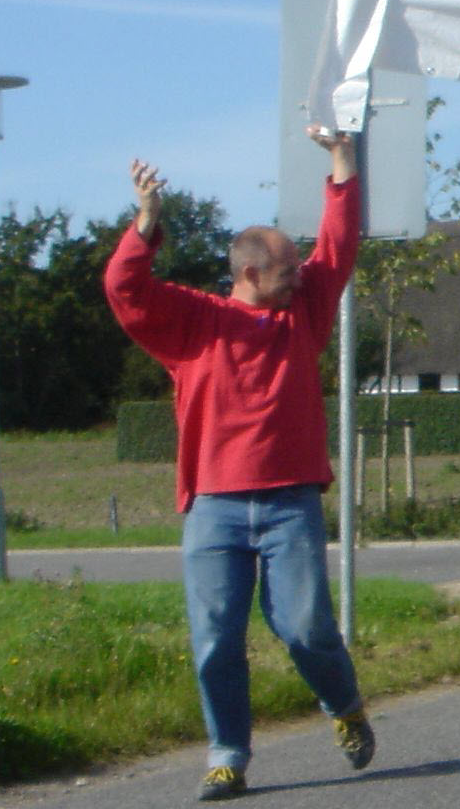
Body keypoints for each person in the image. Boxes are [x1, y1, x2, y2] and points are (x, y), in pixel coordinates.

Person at [101, 125, 375, 802]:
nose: (299, 279)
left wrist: (342, 165)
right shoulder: (193, 322)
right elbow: (125, 289)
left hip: (290, 501)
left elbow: (337, 247)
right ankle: (227, 755)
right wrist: (145, 224)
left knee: (305, 626)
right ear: (249, 275)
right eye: (287, 273)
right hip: (214, 505)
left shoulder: (303, 313)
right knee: (216, 639)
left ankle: (343, 706)